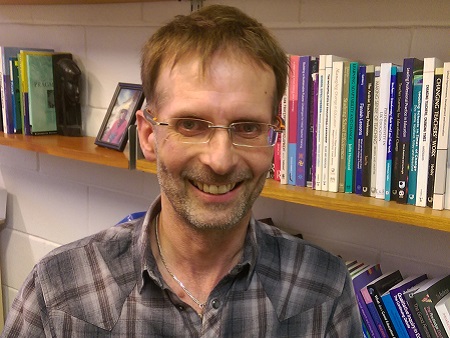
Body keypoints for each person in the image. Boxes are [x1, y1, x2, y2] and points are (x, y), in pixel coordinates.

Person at [2, 5, 363, 337]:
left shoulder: (322, 289)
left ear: (275, 139)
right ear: (147, 135)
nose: (220, 161)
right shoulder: (60, 293)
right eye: (191, 125)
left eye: (248, 127)